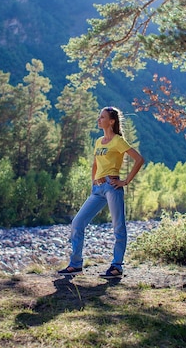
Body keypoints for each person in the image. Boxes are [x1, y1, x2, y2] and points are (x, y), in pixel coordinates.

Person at [58, 106, 145, 278]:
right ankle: (75, 265)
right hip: (97, 189)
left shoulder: (118, 141)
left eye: (102, 117)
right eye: (99, 117)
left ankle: (116, 266)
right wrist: (93, 183)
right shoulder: (99, 142)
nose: (99, 119)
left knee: (118, 227)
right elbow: (95, 164)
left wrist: (125, 181)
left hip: (112, 187)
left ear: (111, 121)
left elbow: (139, 159)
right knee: (77, 222)